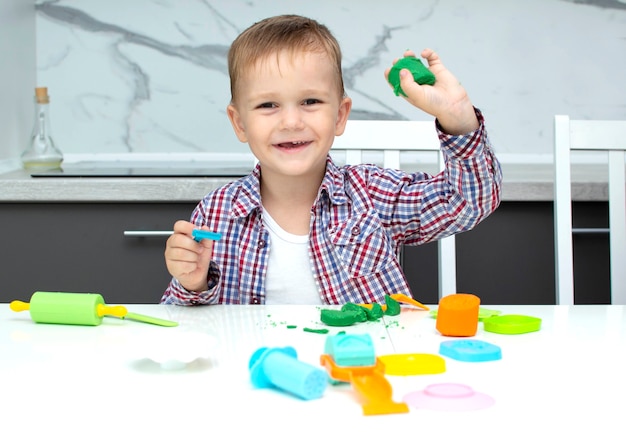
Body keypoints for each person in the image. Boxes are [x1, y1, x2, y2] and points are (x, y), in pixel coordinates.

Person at [161, 14, 502, 306]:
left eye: (310, 101)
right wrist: (192, 284)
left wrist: (459, 119)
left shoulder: (373, 194)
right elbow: (182, 325)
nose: (291, 122)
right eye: (268, 105)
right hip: (255, 376)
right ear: (239, 123)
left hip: (362, 370)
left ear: (340, 116)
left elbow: (468, 201)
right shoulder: (217, 212)